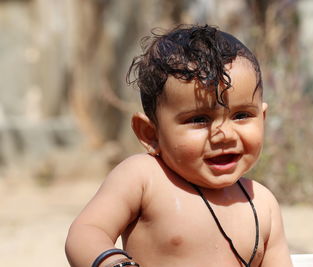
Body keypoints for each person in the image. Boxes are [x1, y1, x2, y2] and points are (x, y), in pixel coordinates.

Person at [65, 24, 293, 267]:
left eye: (241, 115)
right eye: (198, 119)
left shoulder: (262, 204)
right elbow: (86, 231)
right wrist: (114, 264)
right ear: (150, 133)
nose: (224, 134)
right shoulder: (144, 178)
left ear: (263, 119)